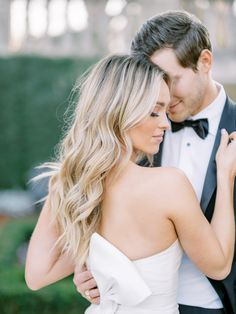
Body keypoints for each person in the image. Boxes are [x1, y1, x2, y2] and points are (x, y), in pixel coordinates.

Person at [25, 54, 236, 314]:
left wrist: (94, 259)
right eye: (154, 111)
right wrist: (225, 176)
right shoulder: (169, 185)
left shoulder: (67, 184)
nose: (165, 124)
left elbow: (36, 276)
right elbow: (219, 265)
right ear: (120, 110)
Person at [74, 10, 236, 314]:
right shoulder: (133, 134)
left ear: (205, 62)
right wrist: (88, 272)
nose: (163, 95)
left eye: (172, 80)